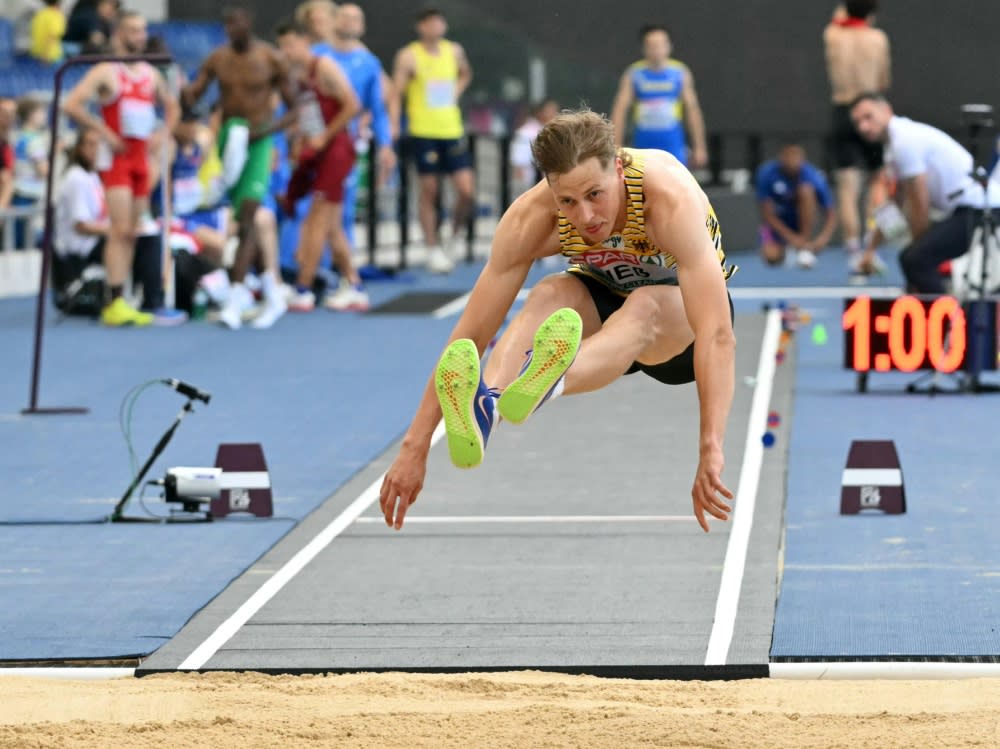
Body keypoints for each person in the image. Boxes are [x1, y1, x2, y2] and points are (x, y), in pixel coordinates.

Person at [378, 109, 737, 533]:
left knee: (644, 305)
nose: (585, 216)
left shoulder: (666, 201)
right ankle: (488, 403)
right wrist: (413, 447)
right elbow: (470, 336)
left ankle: (548, 378)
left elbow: (716, 334)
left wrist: (710, 447)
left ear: (618, 168)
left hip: (679, 330)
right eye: (567, 201)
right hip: (603, 306)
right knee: (551, 292)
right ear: (550, 188)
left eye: (595, 195)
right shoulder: (532, 217)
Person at [182, 5, 298, 330]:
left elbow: (295, 109)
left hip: (259, 139)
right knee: (240, 219)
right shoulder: (218, 59)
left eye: (237, 22)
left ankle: (235, 295)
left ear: (250, 23)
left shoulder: (270, 58)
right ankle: (272, 290)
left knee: (248, 213)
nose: (232, 29)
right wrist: (184, 94)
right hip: (230, 139)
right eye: (227, 24)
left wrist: (268, 132)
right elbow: (195, 95)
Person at [62, 11, 179, 326]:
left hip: (141, 158)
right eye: (133, 30)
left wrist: (162, 134)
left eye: (142, 31)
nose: (139, 37)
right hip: (117, 160)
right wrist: (104, 133)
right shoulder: (107, 71)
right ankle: (114, 300)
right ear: (118, 34)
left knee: (132, 231)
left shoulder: (149, 74)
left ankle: (124, 298)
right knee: (118, 229)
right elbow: (71, 104)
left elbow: (172, 106)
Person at [851, 93, 1000, 293]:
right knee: (913, 258)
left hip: (982, 208)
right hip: (964, 209)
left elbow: (919, 203)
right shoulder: (892, 148)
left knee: (915, 259)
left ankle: (948, 320)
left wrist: (917, 248)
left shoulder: (904, 141)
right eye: (858, 122)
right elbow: (895, 205)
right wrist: (870, 250)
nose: (863, 127)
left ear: (886, 110)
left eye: (868, 117)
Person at [276, 20, 360, 312]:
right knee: (333, 225)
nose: (285, 51)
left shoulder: (324, 66)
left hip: (336, 150)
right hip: (320, 149)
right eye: (281, 46)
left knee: (316, 219)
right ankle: (354, 284)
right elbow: (310, 114)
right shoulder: (298, 75)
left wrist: (325, 135)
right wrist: (302, 140)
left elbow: (352, 104)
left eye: (290, 44)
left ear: (304, 41)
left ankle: (303, 288)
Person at [319, 1, 397, 312]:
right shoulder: (318, 56)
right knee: (305, 212)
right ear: (334, 21)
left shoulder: (369, 63)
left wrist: (387, 145)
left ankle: (342, 279)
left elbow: (377, 110)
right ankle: (308, 275)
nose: (351, 22)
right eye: (346, 16)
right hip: (311, 146)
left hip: (343, 148)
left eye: (357, 18)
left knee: (341, 215)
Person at [392, 7, 474, 274]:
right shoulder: (409, 55)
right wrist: (394, 125)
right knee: (429, 189)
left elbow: (465, 73)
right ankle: (431, 247)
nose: (436, 27)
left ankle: (453, 233)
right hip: (423, 131)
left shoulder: (455, 50)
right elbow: (396, 93)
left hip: (452, 129)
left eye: (439, 22)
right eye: (430, 23)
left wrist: (456, 91)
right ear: (421, 26)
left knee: (466, 190)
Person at [824, 0, 890, 266]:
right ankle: (870, 248)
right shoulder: (877, 39)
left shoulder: (833, 35)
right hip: (871, 108)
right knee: (878, 180)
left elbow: (838, 16)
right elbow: (884, 80)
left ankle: (853, 249)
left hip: (843, 110)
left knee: (848, 186)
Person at [611, 24, 707, 169]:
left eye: (661, 45)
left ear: (669, 47)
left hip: (673, 142)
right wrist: (616, 146)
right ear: (644, 48)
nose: (657, 50)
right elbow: (620, 110)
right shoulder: (634, 74)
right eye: (652, 46)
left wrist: (700, 147)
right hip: (643, 142)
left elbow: (692, 109)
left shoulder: (680, 73)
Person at [755, 142, 837, 268]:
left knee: (806, 191)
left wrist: (823, 238)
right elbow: (767, 214)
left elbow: (830, 212)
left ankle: (803, 247)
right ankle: (790, 248)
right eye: (789, 155)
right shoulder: (766, 173)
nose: (793, 160)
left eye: (796, 156)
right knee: (771, 258)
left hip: (800, 224)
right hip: (777, 226)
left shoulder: (813, 175)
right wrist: (791, 238)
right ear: (781, 157)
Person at [12, 96, 50, 250]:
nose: (44, 116)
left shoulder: (21, 137)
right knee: (25, 243)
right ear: (31, 114)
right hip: (28, 195)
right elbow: (43, 169)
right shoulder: (33, 140)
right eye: (41, 112)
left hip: (21, 193)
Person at [509, 99, 559, 196]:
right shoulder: (526, 132)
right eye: (551, 110)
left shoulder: (553, 131)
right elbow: (519, 165)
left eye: (555, 110)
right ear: (540, 113)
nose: (555, 114)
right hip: (531, 186)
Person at [29, 0, 66, 64]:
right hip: (52, 57)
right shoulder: (56, 16)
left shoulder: (40, 15)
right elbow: (52, 36)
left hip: (35, 53)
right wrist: (45, 55)